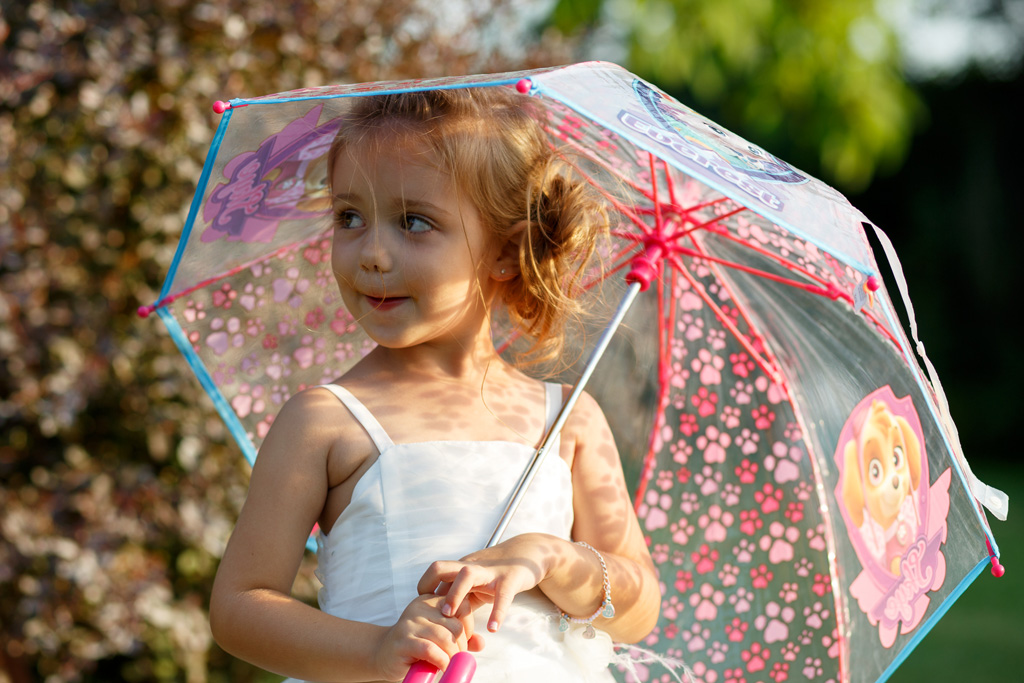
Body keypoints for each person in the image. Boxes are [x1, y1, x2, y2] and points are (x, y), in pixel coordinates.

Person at [209, 86, 661, 683]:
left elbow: (639, 607)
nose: (370, 252)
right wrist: (374, 651)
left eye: (414, 222)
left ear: (505, 249)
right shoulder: (325, 421)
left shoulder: (569, 420)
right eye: (349, 217)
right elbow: (240, 605)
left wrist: (549, 557)